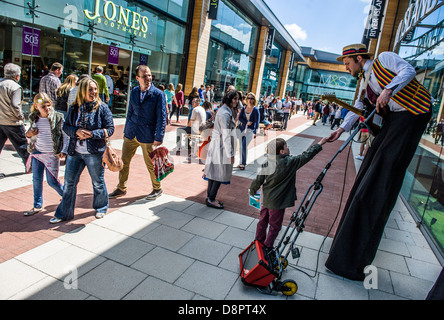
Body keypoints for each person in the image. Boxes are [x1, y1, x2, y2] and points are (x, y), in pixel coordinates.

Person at [324, 43, 432, 281]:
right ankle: (344, 253)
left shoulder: (384, 59)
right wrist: (341, 129)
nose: (346, 67)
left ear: (359, 58)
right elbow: (359, 107)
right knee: (366, 176)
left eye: (347, 62)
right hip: (395, 121)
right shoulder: (365, 82)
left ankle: (355, 259)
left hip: (413, 116)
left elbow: (409, 71)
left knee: (380, 178)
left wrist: (388, 90)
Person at [50, 77, 115, 223]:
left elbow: (110, 129)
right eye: (90, 89)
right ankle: (63, 213)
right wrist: (76, 131)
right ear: (82, 91)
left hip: (94, 152)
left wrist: (93, 134)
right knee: (69, 184)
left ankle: (101, 207)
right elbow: (66, 127)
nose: (94, 92)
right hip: (75, 152)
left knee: (97, 182)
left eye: (95, 89)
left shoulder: (102, 107)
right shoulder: (74, 107)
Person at [250, 137, 327, 250]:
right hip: (278, 203)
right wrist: (320, 143)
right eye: (286, 146)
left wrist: (252, 191)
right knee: (274, 226)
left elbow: (257, 180)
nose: (288, 148)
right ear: (281, 151)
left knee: (262, 221)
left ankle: (258, 241)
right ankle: (267, 246)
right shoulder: (290, 162)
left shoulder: (267, 163)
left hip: (266, 199)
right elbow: (306, 155)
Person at [108, 65, 167, 200]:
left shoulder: (158, 94)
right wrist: (126, 130)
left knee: (151, 164)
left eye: (149, 75)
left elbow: (162, 117)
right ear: (137, 78)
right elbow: (130, 112)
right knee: (124, 162)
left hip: (147, 135)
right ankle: (121, 188)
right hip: (131, 133)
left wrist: (159, 136)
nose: (148, 78)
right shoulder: (134, 91)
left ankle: (157, 188)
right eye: (145, 76)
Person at [24, 93, 68, 216]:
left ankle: (67, 196)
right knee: (36, 180)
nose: (47, 108)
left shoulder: (57, 117)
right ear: (36, 106)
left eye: (48, 105)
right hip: (37, 153)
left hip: (51, 153)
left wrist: (63, 150)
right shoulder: (34, 118)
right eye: (43, 106)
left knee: (52, 181)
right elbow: (28, 134)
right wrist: (30, 134)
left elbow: (66, 135)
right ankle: (37, 205)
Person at [203, 89, 238, 209]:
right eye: (235, 99)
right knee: (218, 174)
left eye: (237, 99)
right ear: (229, 99)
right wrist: (231, 154)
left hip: (218, 145)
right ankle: (211, 199)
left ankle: (210, 197)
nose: (237, 101)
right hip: (221, 147)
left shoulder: (224, 110)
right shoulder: (225, 114)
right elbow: (226, 135)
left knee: (213, 173)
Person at [0, 63, 29, 173]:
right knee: (22, 146)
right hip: (12, 122)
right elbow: (15, 105)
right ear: (17, 76)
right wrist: (21, 117)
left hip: (0, 121)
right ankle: (29, 167)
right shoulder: (15, 87)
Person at [237, 92, 259, 170]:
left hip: (250, 130)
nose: (250, 100)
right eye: (248, 98)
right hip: (242, 129)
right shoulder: (244, 108)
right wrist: (246, 122)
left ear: (254, 100)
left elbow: (257, 122)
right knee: (241, 147)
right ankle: (242, 162)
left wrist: (255, 132)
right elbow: (240, 118)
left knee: (244, 145)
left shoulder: (256, 110)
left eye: (251, 98)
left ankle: (242, 163)